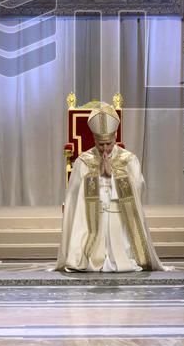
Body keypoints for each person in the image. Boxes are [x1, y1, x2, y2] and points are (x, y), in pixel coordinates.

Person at [56, 102, 166, 272]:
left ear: (115, 138)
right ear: (94, 139)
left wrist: (113, 176)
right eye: (101, 144)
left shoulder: (128, 159)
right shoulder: (83, 161)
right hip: (92, 216)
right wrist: (97, 176)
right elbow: (73, 196)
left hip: (120, 214)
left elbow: (139, 186)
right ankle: (90, 258)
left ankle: (123, 258)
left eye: (108, 143)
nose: (105, 149)